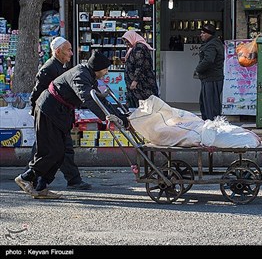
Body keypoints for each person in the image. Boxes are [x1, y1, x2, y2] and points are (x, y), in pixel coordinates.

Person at [15, 51, 129, 199]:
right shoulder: (80, 76)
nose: (107, 72)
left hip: (60, 113)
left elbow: (101, 100)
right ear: (98, 68)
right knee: (52, 150)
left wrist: (121, 117)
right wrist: (107, 117)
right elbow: (89, 99)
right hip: (48, 110)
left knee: (61, 152)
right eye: (106, 69)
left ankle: (41, 186)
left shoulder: (89, 75)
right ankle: (26, 177)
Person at [28, 36, 91, 190]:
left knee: (53, 149)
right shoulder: (49, 68)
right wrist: (38, 114)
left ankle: (36, 179)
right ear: (58, 51)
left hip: (57, 116)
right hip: (49, 116)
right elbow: (38, 94)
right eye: (68, 50)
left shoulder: (60, 67)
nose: (71, 53)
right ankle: (34, 177)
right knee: (51, 149)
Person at [193, 23, 225, 121]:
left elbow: (208, 60)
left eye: (203, 33)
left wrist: (197, 69)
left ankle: (212, 126)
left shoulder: (211, 44)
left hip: (211, 78)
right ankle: (210, 124)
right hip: (210, 78)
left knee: (210, 106)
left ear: (209, 34)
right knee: (206, 104)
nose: (201, 35)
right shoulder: (214, 43)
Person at [121, 30, 158, 108]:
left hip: (142, 84)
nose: (126, 44)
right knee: (138, 106)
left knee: (144, 105)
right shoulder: (135, 47)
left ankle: (145, 119)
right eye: (125, 42)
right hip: (139, 85)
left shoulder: (139, 47)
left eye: (127, 41)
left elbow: (140, 65)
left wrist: (135, 81)